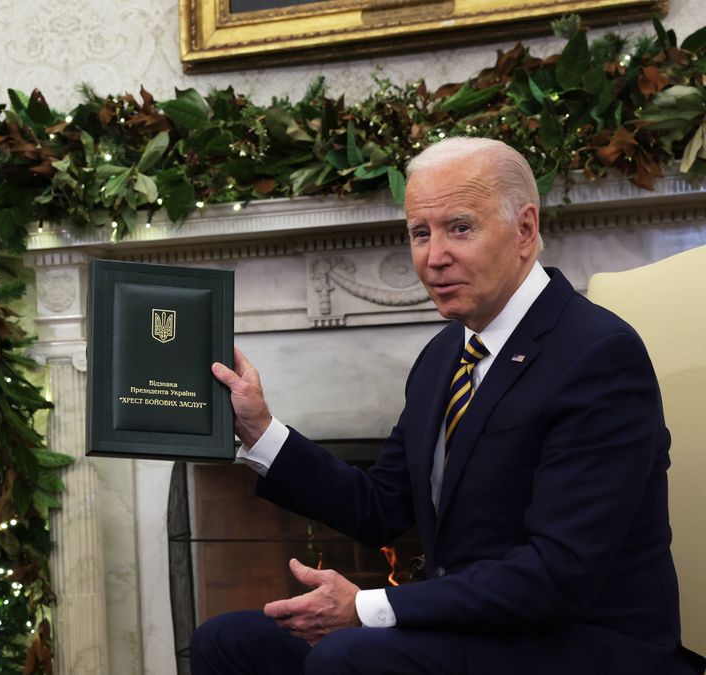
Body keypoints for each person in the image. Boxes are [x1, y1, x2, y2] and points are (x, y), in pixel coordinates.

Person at [191, 137, 705, 674]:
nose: (434, 258)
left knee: (348, 655)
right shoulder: (444, 355)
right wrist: (260, 429)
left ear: (524, 230)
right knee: (228, 640)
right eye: (420, 233)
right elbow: (380, 507)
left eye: (460, 228)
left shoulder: (597, 354)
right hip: (471, 632)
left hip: (581, 643)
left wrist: (365, 607)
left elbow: (559, 573)